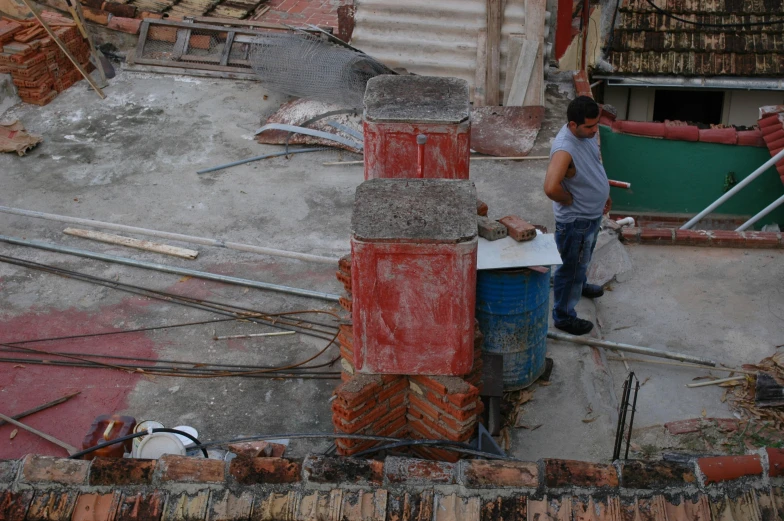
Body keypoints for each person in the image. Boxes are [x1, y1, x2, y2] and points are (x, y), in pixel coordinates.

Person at [543, 96, 611, 336]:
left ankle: (579, 285)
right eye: (589, 126)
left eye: (596, 125)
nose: (595, 130)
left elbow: (592, 165)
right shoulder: (565, 148)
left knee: (582, 259)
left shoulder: (585, 135)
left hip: (590, 216)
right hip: (576, 222)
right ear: (573, 125)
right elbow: (551, 187)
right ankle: (563, 316)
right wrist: (568, 199)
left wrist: (603, 195)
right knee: (570, 267)